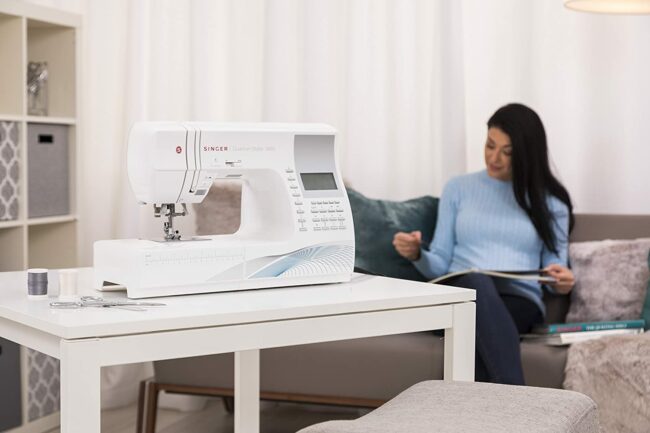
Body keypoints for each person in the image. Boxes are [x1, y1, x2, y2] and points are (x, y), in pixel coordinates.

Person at [393, 103, 575, 385]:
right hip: (457, 294)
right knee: (476, 284)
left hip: (518, 300)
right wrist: (418, 253)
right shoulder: (458, 188)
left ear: (527, 155)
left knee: (474, 328)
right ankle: (521, 411)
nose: (494, 158)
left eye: (508, 152)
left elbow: (555, 269)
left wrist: (561, 280)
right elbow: (439, 264)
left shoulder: (550, 203)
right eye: (490, 145)